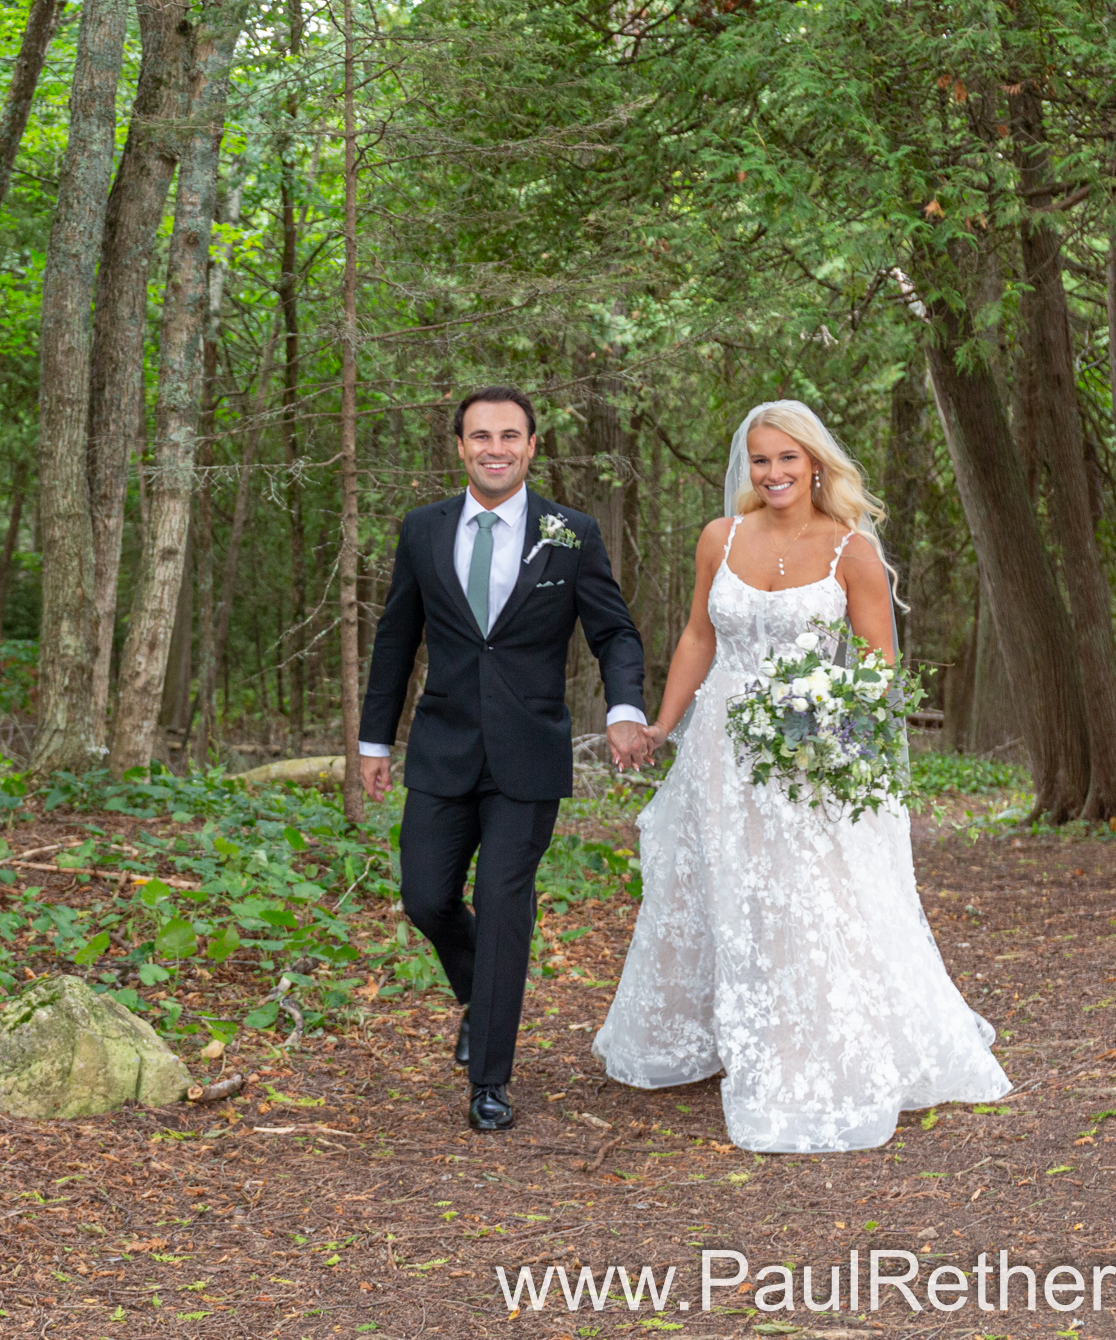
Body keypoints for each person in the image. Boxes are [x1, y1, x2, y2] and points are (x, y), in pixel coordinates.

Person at [591, 400, 1009, 1153]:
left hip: (807, 748)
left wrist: (839, 731)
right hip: (722, 744)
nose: (774, 472)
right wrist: (661, 724)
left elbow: (879, 662)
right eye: (760, 460)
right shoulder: (719, 539)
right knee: (729, 883)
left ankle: (797, 1046)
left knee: (806, 891)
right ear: (745, 468)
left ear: (815, 462)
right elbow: (697, 635)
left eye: (787, 458)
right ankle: (726, 1025)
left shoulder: (852, 550)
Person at [358, 387, 650, 1133]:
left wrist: (623, 708)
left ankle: (489, 1077)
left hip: (529, 754)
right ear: (460, 445)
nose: (496, 447)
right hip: (443, 748)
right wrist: (373, 738)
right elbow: (397, 637)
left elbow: (614, 633)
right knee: (425, 897)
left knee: (505, 908)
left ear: (530, 445)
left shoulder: (570, 532)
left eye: (510, 435)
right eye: (481, 435)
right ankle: (475, 995)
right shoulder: (423, 530)